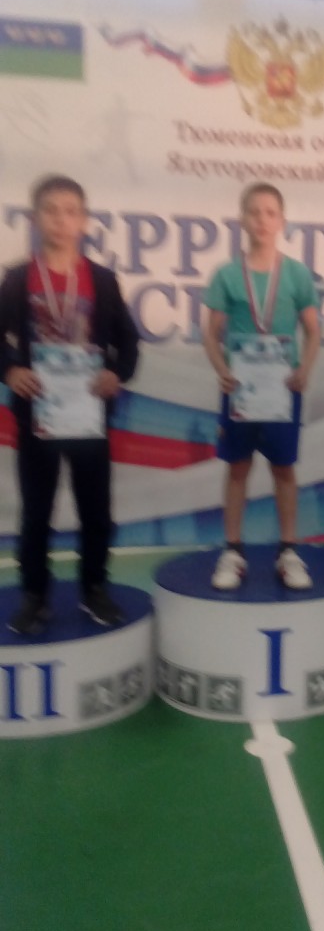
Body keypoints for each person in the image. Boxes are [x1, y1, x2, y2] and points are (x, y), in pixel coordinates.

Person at [0, 174, 140, 634]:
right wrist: (10, 371)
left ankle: (94, 588)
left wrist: (116, 373)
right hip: (38, 415)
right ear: (36, 218)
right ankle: (34, 595)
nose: (61, 220)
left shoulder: (101, 280)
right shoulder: (18, 279)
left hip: (87, 416)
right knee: (36, 511)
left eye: (70, 211)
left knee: (95, 509)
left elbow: (128, 342)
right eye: (51, 211)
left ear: (83, 221)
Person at [203, 182, 321, 591]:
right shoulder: (226, 275)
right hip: (240, 390)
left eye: (270, 213)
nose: (262, 220)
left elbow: (313, 330)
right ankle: (232, 551)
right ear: (242, 219)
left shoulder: (296, 274)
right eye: (254, 212)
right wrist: (221, 368)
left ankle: (288, 550)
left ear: (282, 221)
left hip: (283, 390)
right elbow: (211, 333)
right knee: (237, 468)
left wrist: (305, 368)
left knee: (283, 469)